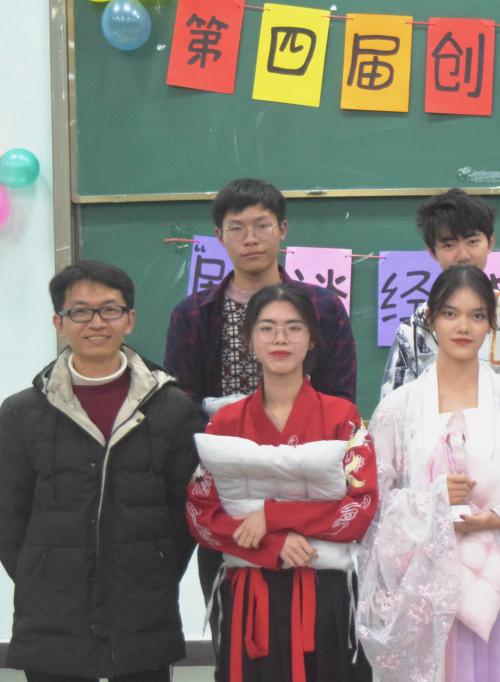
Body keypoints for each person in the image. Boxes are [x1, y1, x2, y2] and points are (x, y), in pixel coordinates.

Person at [164, 178, 357, 647]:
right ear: (219, 236)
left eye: (262, 225)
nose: (250, 238)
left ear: (282, 229)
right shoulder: (193, 314)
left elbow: (341, 401)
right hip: (230, 494)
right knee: (236, 634)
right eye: (237, 228)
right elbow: (181, 410)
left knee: (320, 637)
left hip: (312, 492)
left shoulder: (322, 308)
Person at [358, 264, 500, 681]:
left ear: (491, 323)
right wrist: (435, 501)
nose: (463, 327)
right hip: (427, 591)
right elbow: (375, 504)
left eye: (477, 315)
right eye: (450, 314)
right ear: (431, 319)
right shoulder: (397, 409)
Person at [0, 261, 204, 682]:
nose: (96, 322)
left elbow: (184, 513)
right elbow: (8, 516)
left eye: (110, 309)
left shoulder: (172, 408)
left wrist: (154, 567)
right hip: (51, 617)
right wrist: (42, 573)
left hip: (143, 612)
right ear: (59, 322)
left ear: (130, 319)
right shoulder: (21, 413)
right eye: (80, 311)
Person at [185, 283, 377, 682]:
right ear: (250, 340)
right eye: (267, 328)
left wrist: (271, 517)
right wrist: (273, 545)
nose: (280, 339)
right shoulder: (225, 422)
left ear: (312, 340)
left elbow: (361, 508)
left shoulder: (342, 416)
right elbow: (201, 514)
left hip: (327, 597)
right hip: (249, 594)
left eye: (294, 328)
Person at [380, 188, 500, 424]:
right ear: (432, 252)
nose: (463, 255)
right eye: (449, 245)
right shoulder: (413, 332)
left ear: (490, 242)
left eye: (473, 241)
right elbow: (391, 421)